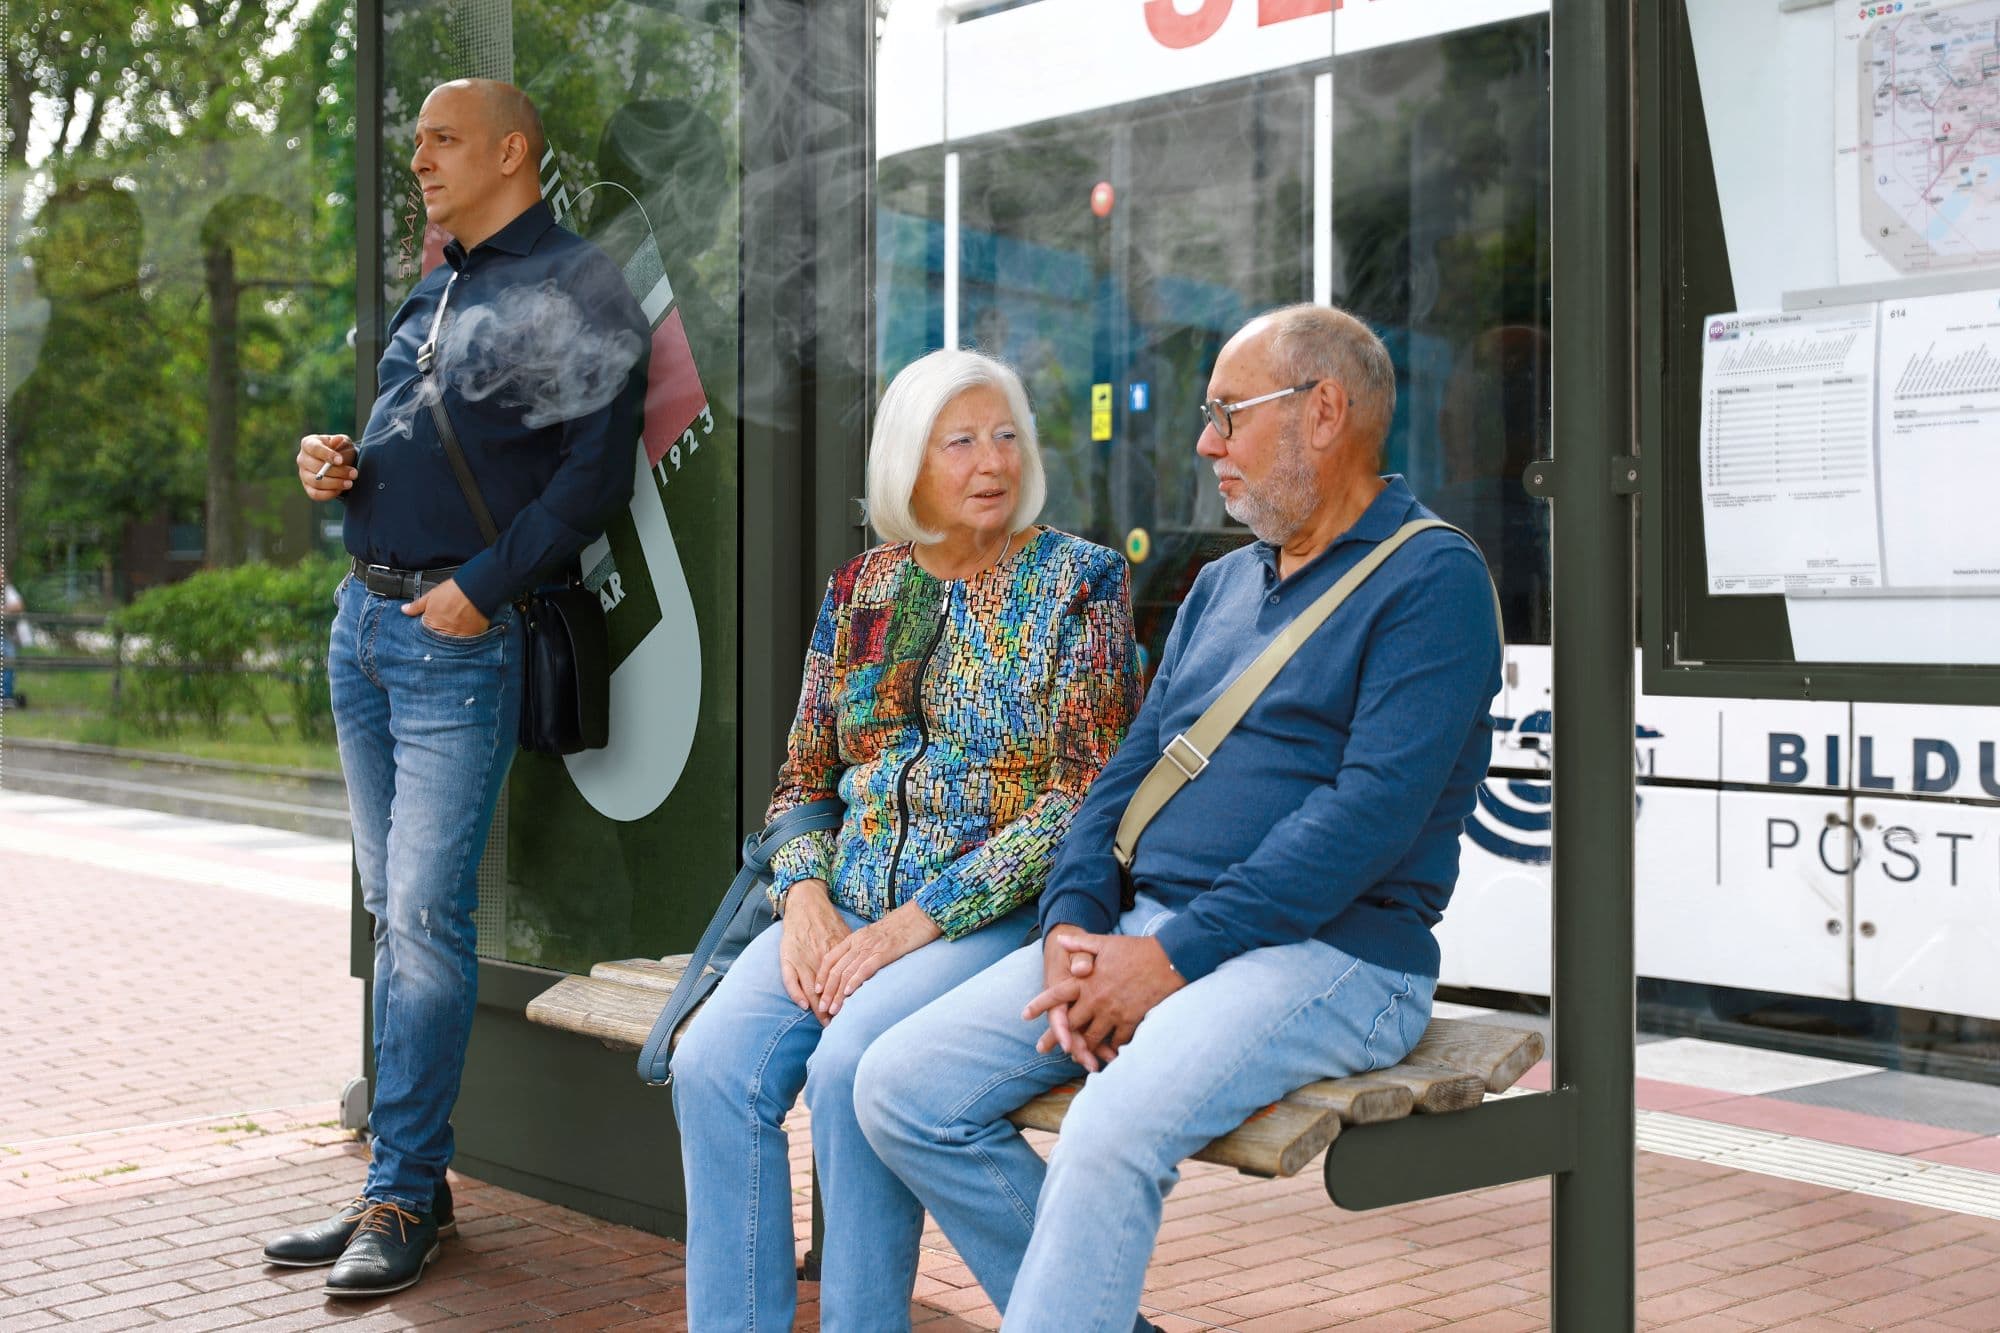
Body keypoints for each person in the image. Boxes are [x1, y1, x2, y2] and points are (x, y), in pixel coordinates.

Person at [855, 304, 1503, 1332]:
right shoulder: (1219, 583)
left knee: (1109, 1127)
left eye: (1226, 415)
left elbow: (1367, 819)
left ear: (1322, 410)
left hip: (1335, 953)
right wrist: (1073, 923)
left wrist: (1168, 959)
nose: (1204, 443)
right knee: (898, 1086)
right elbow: (1124, 776)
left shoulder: (1431, 579)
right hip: (1150, 930)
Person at [261, 79, 648, 1297]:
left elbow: (591, 476)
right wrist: (343, 463)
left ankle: (400, 1189)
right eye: (414, 137)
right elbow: (430, 440)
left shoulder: (580, 287)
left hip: (450, 640)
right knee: (397, 916)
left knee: (422, 922)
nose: (416, 155)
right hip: (361, 629)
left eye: (438, 138)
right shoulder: (442, 278)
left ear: (510, 149)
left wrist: (483, 584)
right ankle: (407, 1179)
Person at [670, 347, 1141, 1332]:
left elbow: (1080, 800)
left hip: (987, 912)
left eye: (1005, 435)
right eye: (959, 439)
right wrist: (802, 900)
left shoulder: (1079, 582)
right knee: (712, 1061)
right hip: (841, 902)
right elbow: (803, 774)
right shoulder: (862, 590)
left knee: (847, 1072)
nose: (990, 461)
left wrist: (913, 924)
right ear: (907, 462)